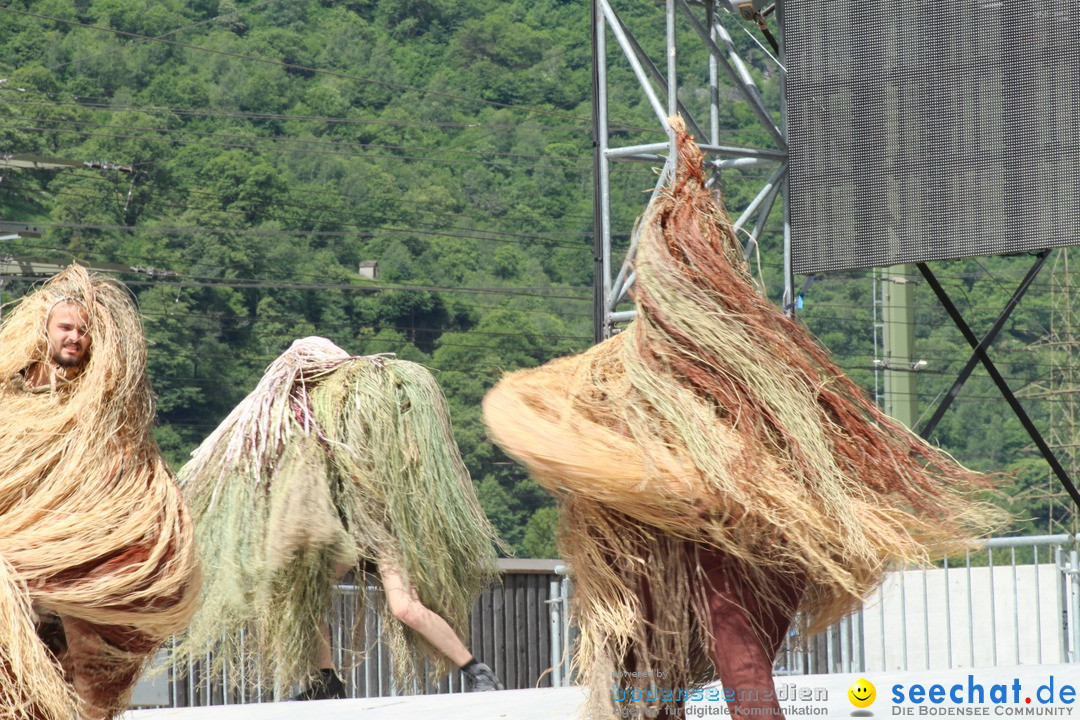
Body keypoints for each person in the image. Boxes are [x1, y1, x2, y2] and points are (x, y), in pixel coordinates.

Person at [481, 117, 1004, 719]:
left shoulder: (747, 369)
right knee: (672, 667)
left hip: (748, 538)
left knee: (721, 669)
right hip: (720, 541)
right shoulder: (740, 366)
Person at [173, 337, 503, 700]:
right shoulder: (303, 420)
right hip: (346, 531)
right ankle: (325, 681)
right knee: (308, 596)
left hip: (382, 530)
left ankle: (476, 670)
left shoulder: (364, 407)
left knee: (405, 606)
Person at [0, 265, 200, 720]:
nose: (74, 337)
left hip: (75, 568)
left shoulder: (108, 410)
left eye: (83, 331)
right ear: (44, 329)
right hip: (25, 564)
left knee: (88, 679)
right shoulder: (14, 396)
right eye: (66, 328)